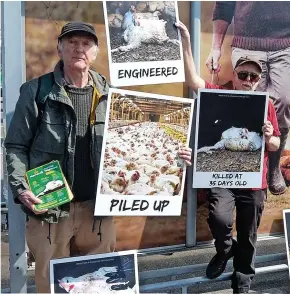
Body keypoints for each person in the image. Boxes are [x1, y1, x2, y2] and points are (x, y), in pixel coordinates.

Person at [4, 22, 193, 293]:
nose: (78, 48)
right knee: (51, 283)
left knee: (99, 284)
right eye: (71, 42)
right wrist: (21, 188)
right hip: (52, 212)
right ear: (60, 47)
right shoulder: (36, 92)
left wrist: (175, 153)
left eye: (86, 43)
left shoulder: (111, 96)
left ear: (95, 51)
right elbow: (15, 146)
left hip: (98, 212)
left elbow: (134, 146)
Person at [176, 21, 281, 293]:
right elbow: (192, 81)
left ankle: (242, 283)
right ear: (234, 75)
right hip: (222, 176)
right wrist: (186, 43)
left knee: (249, 235)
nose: (247, 80)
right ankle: (224, 250)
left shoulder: (266, 104)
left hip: (254, 181)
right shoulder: (219, 93)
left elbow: (274, 144)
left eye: (253, 77)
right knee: (219, 219)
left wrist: (269, 136)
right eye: (243, 74)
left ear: (259, 81)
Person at [207, 1, 290, 195]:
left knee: (285, 101)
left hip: (286, 45)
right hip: (247, 46)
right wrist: (216, 48)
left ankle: (274, 167)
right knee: (252, 109)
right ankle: (250, 172)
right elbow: (224, 6)